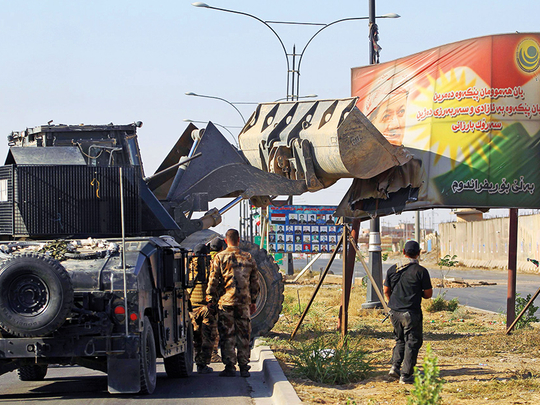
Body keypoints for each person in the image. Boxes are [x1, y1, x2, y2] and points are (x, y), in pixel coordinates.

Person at [206, 229, 259, 378]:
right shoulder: (248, 257)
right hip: (244, 303)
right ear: (239, 240)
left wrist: (211, 299)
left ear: (226, 240)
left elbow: (213, 280)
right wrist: (253, 301)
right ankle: (244, 367)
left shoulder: (220, 257)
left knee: (227, 334)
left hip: (226, 303)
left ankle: (230, 366)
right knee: (244, 334)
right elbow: (254, 283)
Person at [383, 240, 433, 384]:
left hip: (394, 312)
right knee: (412, 342)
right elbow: (428, 294)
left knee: (400, 340)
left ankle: (395, 367)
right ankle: (405, 375)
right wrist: (419, 294)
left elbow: (386, 290)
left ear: (403, 252)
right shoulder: (421, 271)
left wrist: (391, 301)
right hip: (411, 313)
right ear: (418, 254)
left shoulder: (393, 269)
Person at [189, 244, 216, 374]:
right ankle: (202, 364)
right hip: (205, 308)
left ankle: (192, 361)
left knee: (195, 337)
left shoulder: (187, 266)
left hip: (190, 309)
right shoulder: (209, 266)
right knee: (208, 337)